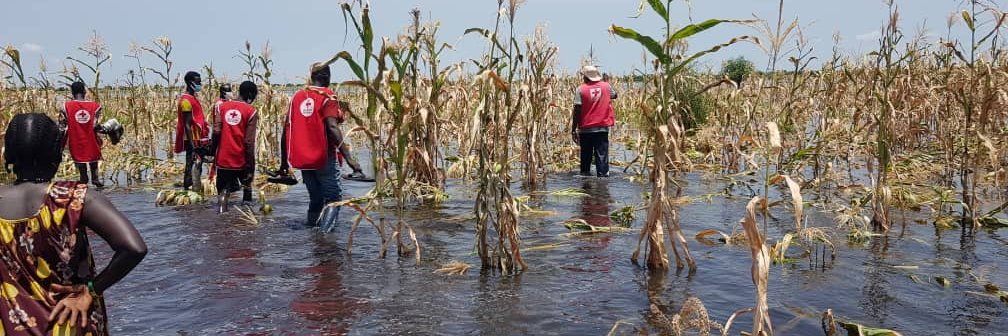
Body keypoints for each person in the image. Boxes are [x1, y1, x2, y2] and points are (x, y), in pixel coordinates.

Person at [0, 113, 146, 334]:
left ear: (8, 154)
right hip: (70, 321)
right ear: (56, 153)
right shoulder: (73, 198)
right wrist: (91, 290)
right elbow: (134, 249)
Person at [277, 63, 345, 229]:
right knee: (334, 199)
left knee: (316, 198)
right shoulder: (328, 95)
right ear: (326, 76)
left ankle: (311, 231)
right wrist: (351, 159)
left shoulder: (297, 97)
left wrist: (284, 162)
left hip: (304, 160)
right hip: (323, 157)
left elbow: (286, 131)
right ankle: (324, 237)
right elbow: (332, 127)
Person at [214, 81, 259, 213]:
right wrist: (251, 167)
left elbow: (216, 132)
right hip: (241, 160)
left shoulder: (222, 107)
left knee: (224, 192)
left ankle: (221, 217)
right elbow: (249, 142)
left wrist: (212, 151)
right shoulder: (251, 111)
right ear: (250, 94)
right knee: (247, 188)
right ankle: (248, 219)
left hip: (223, 159)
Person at [571, 65, 618, 177]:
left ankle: (585, 181)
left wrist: (573, 129)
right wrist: (606, 82)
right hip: (602, 129)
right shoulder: (606, 86)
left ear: (585, 77)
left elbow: (577, 109)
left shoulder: (580, 89)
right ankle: (603, 180)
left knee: (585, 157)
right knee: (602, 156)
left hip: (585, 129)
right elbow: (615, 95)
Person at [62, 81, 105, 188]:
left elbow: (65, 124)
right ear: (84, 91)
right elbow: (95, 125)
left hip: (76, 140)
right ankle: (95, 178)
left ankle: (83, 178)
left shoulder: (66, 106)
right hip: (91, 139)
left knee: (80, 162)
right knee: (93, 158)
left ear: (72, 92)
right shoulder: (95, 106)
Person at [174, 71, 210, 191]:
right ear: (190, 83)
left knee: (196, 164)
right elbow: (187, 125)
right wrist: (193, 146)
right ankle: (188, 188)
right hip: (192, 139)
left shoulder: (192, 98)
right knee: (191, 164)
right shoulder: (186, 101)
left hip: (197, 138)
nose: (200, 84)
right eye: (198, 82)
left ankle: (193, 187)